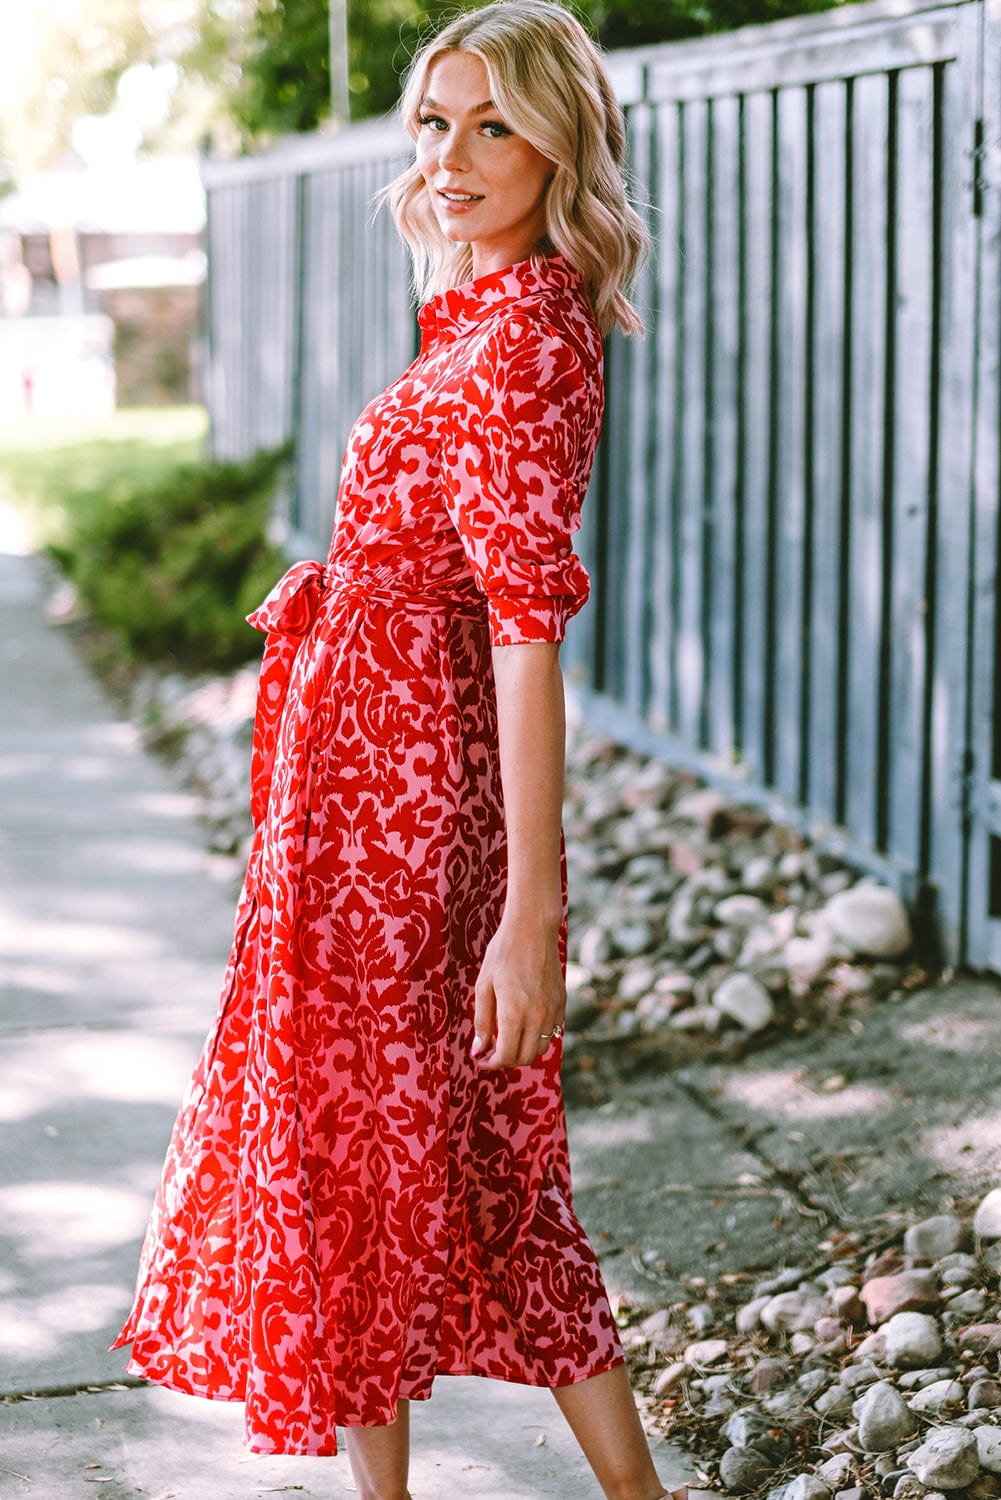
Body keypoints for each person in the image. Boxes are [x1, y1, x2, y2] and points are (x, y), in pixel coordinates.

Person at [112, 4, 681, 1498]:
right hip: (351, 805)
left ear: (563, 138)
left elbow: (524, 629)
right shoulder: (482, 319)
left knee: (441, 1155)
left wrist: (527, 909)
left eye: (495, 122)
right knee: (380, 1156)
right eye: (436, 121)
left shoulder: (524, 346)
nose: (453, 153)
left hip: (405, 825)